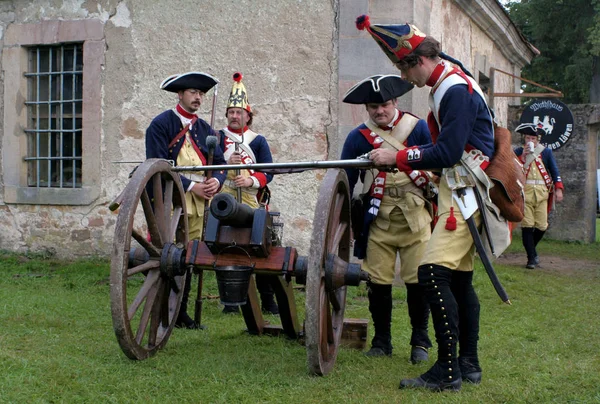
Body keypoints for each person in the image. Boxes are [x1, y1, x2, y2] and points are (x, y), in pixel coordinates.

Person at [358, 15, 505, 391]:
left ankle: (447, 370)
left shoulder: (454, 89)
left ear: (418, 61)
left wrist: (399, 158)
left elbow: (449, 150)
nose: (406, 79)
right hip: (458, 189)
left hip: (463, 190)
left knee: (431, 273)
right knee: (459, 280)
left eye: (405, 69)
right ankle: (468, 364)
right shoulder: (448, 84)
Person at [340, 74, 433, 364]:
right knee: (378, 282)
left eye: (383, 105)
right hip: (376, 218)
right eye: (372, 107)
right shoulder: (358, 137)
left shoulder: (417, 128)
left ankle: (420, 340)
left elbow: (437, 162)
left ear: (395, 102)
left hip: (415, 216)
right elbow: (344, 179)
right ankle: (382, 340)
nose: (379, 111)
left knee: (418, 281)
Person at [146, 71, 227, 329]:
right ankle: (161, 309)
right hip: (171, 199)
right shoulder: (160, 125)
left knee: (189, 255)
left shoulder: (206, 130)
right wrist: (192, 186)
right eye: (193, 92)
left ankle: (180, 312)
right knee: (169, 255)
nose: (198, 98)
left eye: (201, 94)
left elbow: (221, 165)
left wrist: (217, 180)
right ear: (179, 94)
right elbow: (157, 167)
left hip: (199, 204)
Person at [218, 72, 279, 315]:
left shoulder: (258, 141)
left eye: (239, 112)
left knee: (261, 247)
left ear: (247, 115)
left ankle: (268, 300)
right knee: (226, 247)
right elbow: (209, 165)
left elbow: (269, 170)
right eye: (231, 112)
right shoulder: (218, 138)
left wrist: (252, 180)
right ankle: (231, 301)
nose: (234, 116)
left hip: (252, 199)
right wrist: (225, 162)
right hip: (226, 197)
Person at [514, 123, 564, 269]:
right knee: (527, 225)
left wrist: (559, 189)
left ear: (538, 139)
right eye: (528, 137)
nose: (531, 140)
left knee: (542, 226)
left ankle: (532, 250)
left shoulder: (546, 152)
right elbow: (512, 168)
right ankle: (531, 258)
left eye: (533, 138)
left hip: (542, 193)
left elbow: (554, 171)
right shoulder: (518, 152)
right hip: (525, 193)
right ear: (524, 138)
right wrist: (522, 156)